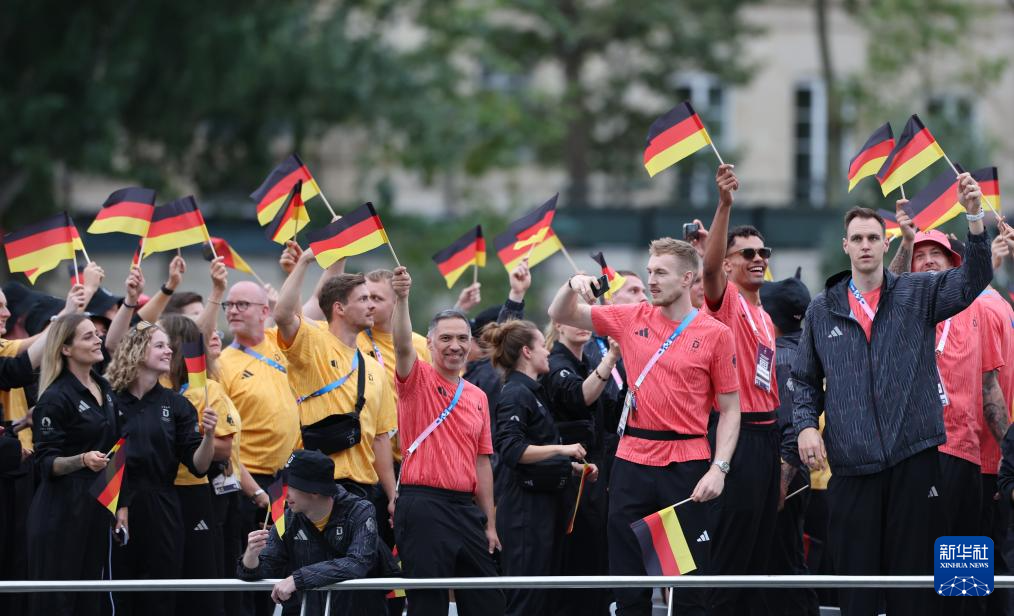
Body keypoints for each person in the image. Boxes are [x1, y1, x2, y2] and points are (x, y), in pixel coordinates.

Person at [793, 174, 993, 616]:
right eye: (856, 239)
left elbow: (974, 279)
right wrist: (806, 426)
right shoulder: (821, 308)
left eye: (872, 238)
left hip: (913, 458)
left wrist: (975, 218)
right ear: (845, 247)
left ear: (886, 244)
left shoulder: (917, 292)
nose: (865, 245)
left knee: (913, 584)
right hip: (852, 465)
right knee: (858, 585)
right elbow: (804, 380)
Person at [549, 237, 740, 616]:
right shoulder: (632, 316)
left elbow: (732, 409)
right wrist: (572, 286)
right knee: (629, 582)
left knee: (686, 586)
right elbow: (563, 314)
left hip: (686, 464)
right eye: (649, 271)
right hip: (632, 462)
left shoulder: (716, 334)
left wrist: (719, 468)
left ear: (688, 278)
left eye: (661, 273)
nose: (651, 280)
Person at [390, 266, 505, 616]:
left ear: (471, 344)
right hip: (422, 504)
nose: (454, 346)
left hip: (465, 509)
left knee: (488, 601)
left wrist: (489, 522)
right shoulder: (417, 377)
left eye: (461, 339)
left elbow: (482, 461)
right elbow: (400, 343)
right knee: (429, 605)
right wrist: (402, 296)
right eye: (445, 338)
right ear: (430, 343)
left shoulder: (477, 395)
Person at [889, 227, 1007, 542]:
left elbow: (989, 388)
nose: (927, 262)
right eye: (920, 257)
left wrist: (1009, 451)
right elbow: (886, 290)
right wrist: (905, 243)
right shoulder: (903, 311)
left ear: (953, 263)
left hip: (966, 454)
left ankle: (964, 594)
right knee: (919, 557)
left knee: (964, 558)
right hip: (916, 450)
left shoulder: (979, 308)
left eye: (936, 254)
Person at [701, 164, 781, 615]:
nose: (757, 258)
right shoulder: (725, 301)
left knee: (760, 551)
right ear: (730, 263)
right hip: (739, 433)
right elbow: (709, 267)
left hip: (768, 438)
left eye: (762, 251)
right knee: (731, 551)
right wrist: (724, 205)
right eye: (746, 252)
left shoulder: (765, 316)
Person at [274, 244, 397, 530]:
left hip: (364, 489)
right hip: (316, 486)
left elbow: (381, 440)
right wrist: (305, 261)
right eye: (363, 299)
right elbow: (282, 315)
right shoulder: (313, 342)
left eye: (373, 298)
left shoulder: (374, 368)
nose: (371, 306)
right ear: (339, 308)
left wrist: (392, 495)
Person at [105, 320, 219, 616]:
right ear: (137, 350)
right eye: (160, 345)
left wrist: (208, 437)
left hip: (163, 505)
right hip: (115, 502)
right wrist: (121, 504)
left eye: (169, 345)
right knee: (119, 591)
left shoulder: (177, 404)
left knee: (161, 592)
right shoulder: (109, 398)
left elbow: (198, 466)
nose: (169, 351)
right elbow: (106, 457)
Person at [485, 318, 596, 616]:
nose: (548, 352)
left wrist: (570, 467)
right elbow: (513, 450)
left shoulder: (533, 391)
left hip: (544, 508)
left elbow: (536, 450)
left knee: (544, 597)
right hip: (523, 512)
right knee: (526, 598)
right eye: (541, 346)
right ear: (527, 352)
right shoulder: (515, 393)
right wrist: (563, 448)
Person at [26, 314, 119, 616]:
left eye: (97, 334)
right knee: (58, 602)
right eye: (88, 336)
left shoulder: (104, 388)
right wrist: (81, 459)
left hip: (97, 505)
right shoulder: (55, 398)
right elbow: (46, 463)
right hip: (61, 510)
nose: (98, 340)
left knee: (90, 601)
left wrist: (122, 505)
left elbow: (118, 447)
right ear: (66, 349)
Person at [217, 278, 298, 616]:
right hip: (247, 483)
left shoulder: (280, 344)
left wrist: (304, 263)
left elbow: (311, 308)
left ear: (266, 311)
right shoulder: (222, 363)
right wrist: (255, 492)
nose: (233, 310)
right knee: (247, 572)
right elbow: (224, 445)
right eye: (229, 305)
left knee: (280, 574)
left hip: (286, 481)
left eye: (242, 304)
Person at [239, 449, 394, 616]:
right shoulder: (287, 519)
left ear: (314, 490)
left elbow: (358, 562)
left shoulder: (360, 511)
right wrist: (251, 556)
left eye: (291, 485)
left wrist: (298, 579)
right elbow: (266, 569)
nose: (284, 493)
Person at [160, 315, 242, 616]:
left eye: (162, 341)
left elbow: (224, 447)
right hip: (160, 491)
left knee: (200, 576)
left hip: (195, 489)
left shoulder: (205, 389)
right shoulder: (150, 384)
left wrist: (186, 440)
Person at [543, 319, 620, 616]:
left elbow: (609, 415)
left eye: (584, 319)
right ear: (558, 325)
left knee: (597, 561)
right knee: (578, 563)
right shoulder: (556, 363)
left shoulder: (586, 360)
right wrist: (611, 358)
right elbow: (580, 397)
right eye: (572, 320)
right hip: (571, 481)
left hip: (598, 478)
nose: (581, 325)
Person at [759, 272, 818, 616]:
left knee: (782, 565)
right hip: (798, 476)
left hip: (783, 479)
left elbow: (793, 428)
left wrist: (779, 485)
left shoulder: (780, 357)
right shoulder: (807, 349)